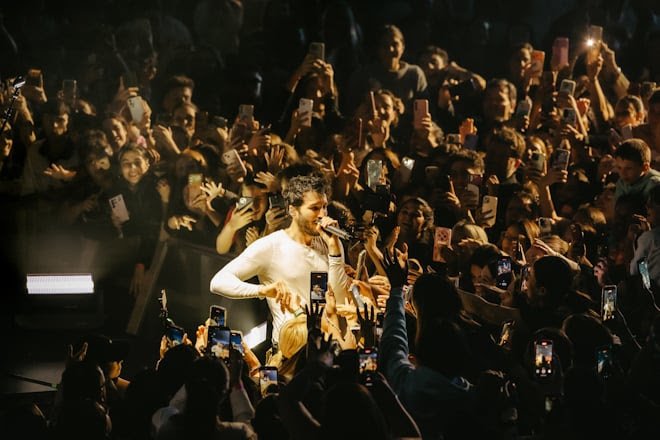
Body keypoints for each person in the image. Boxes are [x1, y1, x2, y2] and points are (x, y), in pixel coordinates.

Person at [210, 174, 351, 348]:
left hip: (327, 345)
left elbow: (340, 299)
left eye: (324, 207)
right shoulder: (271, 246)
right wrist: (262, 290)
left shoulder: (330, 242)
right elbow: (218, 282)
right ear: (293, 211)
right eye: (314, 208)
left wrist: (335, 252)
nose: (322, 215)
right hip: (290, 348)